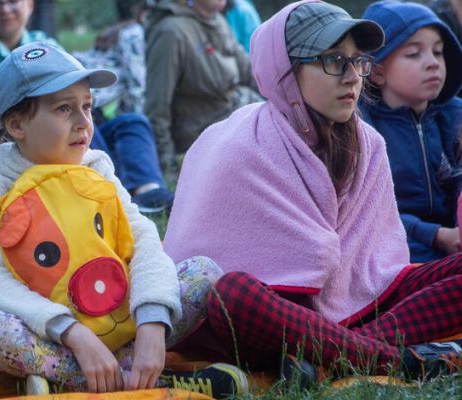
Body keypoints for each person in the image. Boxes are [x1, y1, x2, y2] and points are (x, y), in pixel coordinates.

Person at [164, 0, 462, 382]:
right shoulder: (237, 145)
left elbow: (373, 268)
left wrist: (330, 330)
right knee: (232, 293)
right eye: (334, 60)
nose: (353, 76)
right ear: (285, 70)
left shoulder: (368, 142)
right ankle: (400, 362)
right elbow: (207, 269)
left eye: (357, 61)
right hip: (268, 317)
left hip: (354, 304)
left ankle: (330, 353)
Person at [0, 43, 248, 398]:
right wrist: (72, 333)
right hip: (52, 331)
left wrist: (152, 322)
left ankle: (76, 376)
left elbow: (142, 240)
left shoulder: (96, 166)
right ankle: (146, 379)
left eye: (87, 106)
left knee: (203, 271)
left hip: (119, 315)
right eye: (64, 109)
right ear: (17, 124)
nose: (83, 122)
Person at [0, 0, 175, 212]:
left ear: (29, 6)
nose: (4, 9)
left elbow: (70, 80)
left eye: (12, 2)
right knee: (79, 127)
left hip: (57, 123)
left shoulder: (42, 41)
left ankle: (147, 189)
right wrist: (35, 82)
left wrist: (70, 97)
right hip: (27, 135)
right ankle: (103, 186)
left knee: (131, 122)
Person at [359, 1, 462, 263]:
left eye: (438, 52)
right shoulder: (360, 126)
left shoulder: (455, 116)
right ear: (378, 71)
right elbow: (367, 211)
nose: (433, 63)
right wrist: (435, 234)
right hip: (390, 252)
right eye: (414, 53)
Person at [144, 0, 262, 179]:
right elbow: (157, 108)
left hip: (238, 121)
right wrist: (169, 169)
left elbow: (251, 72)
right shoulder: (171, 32)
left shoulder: (217, 21)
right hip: (205, 140)